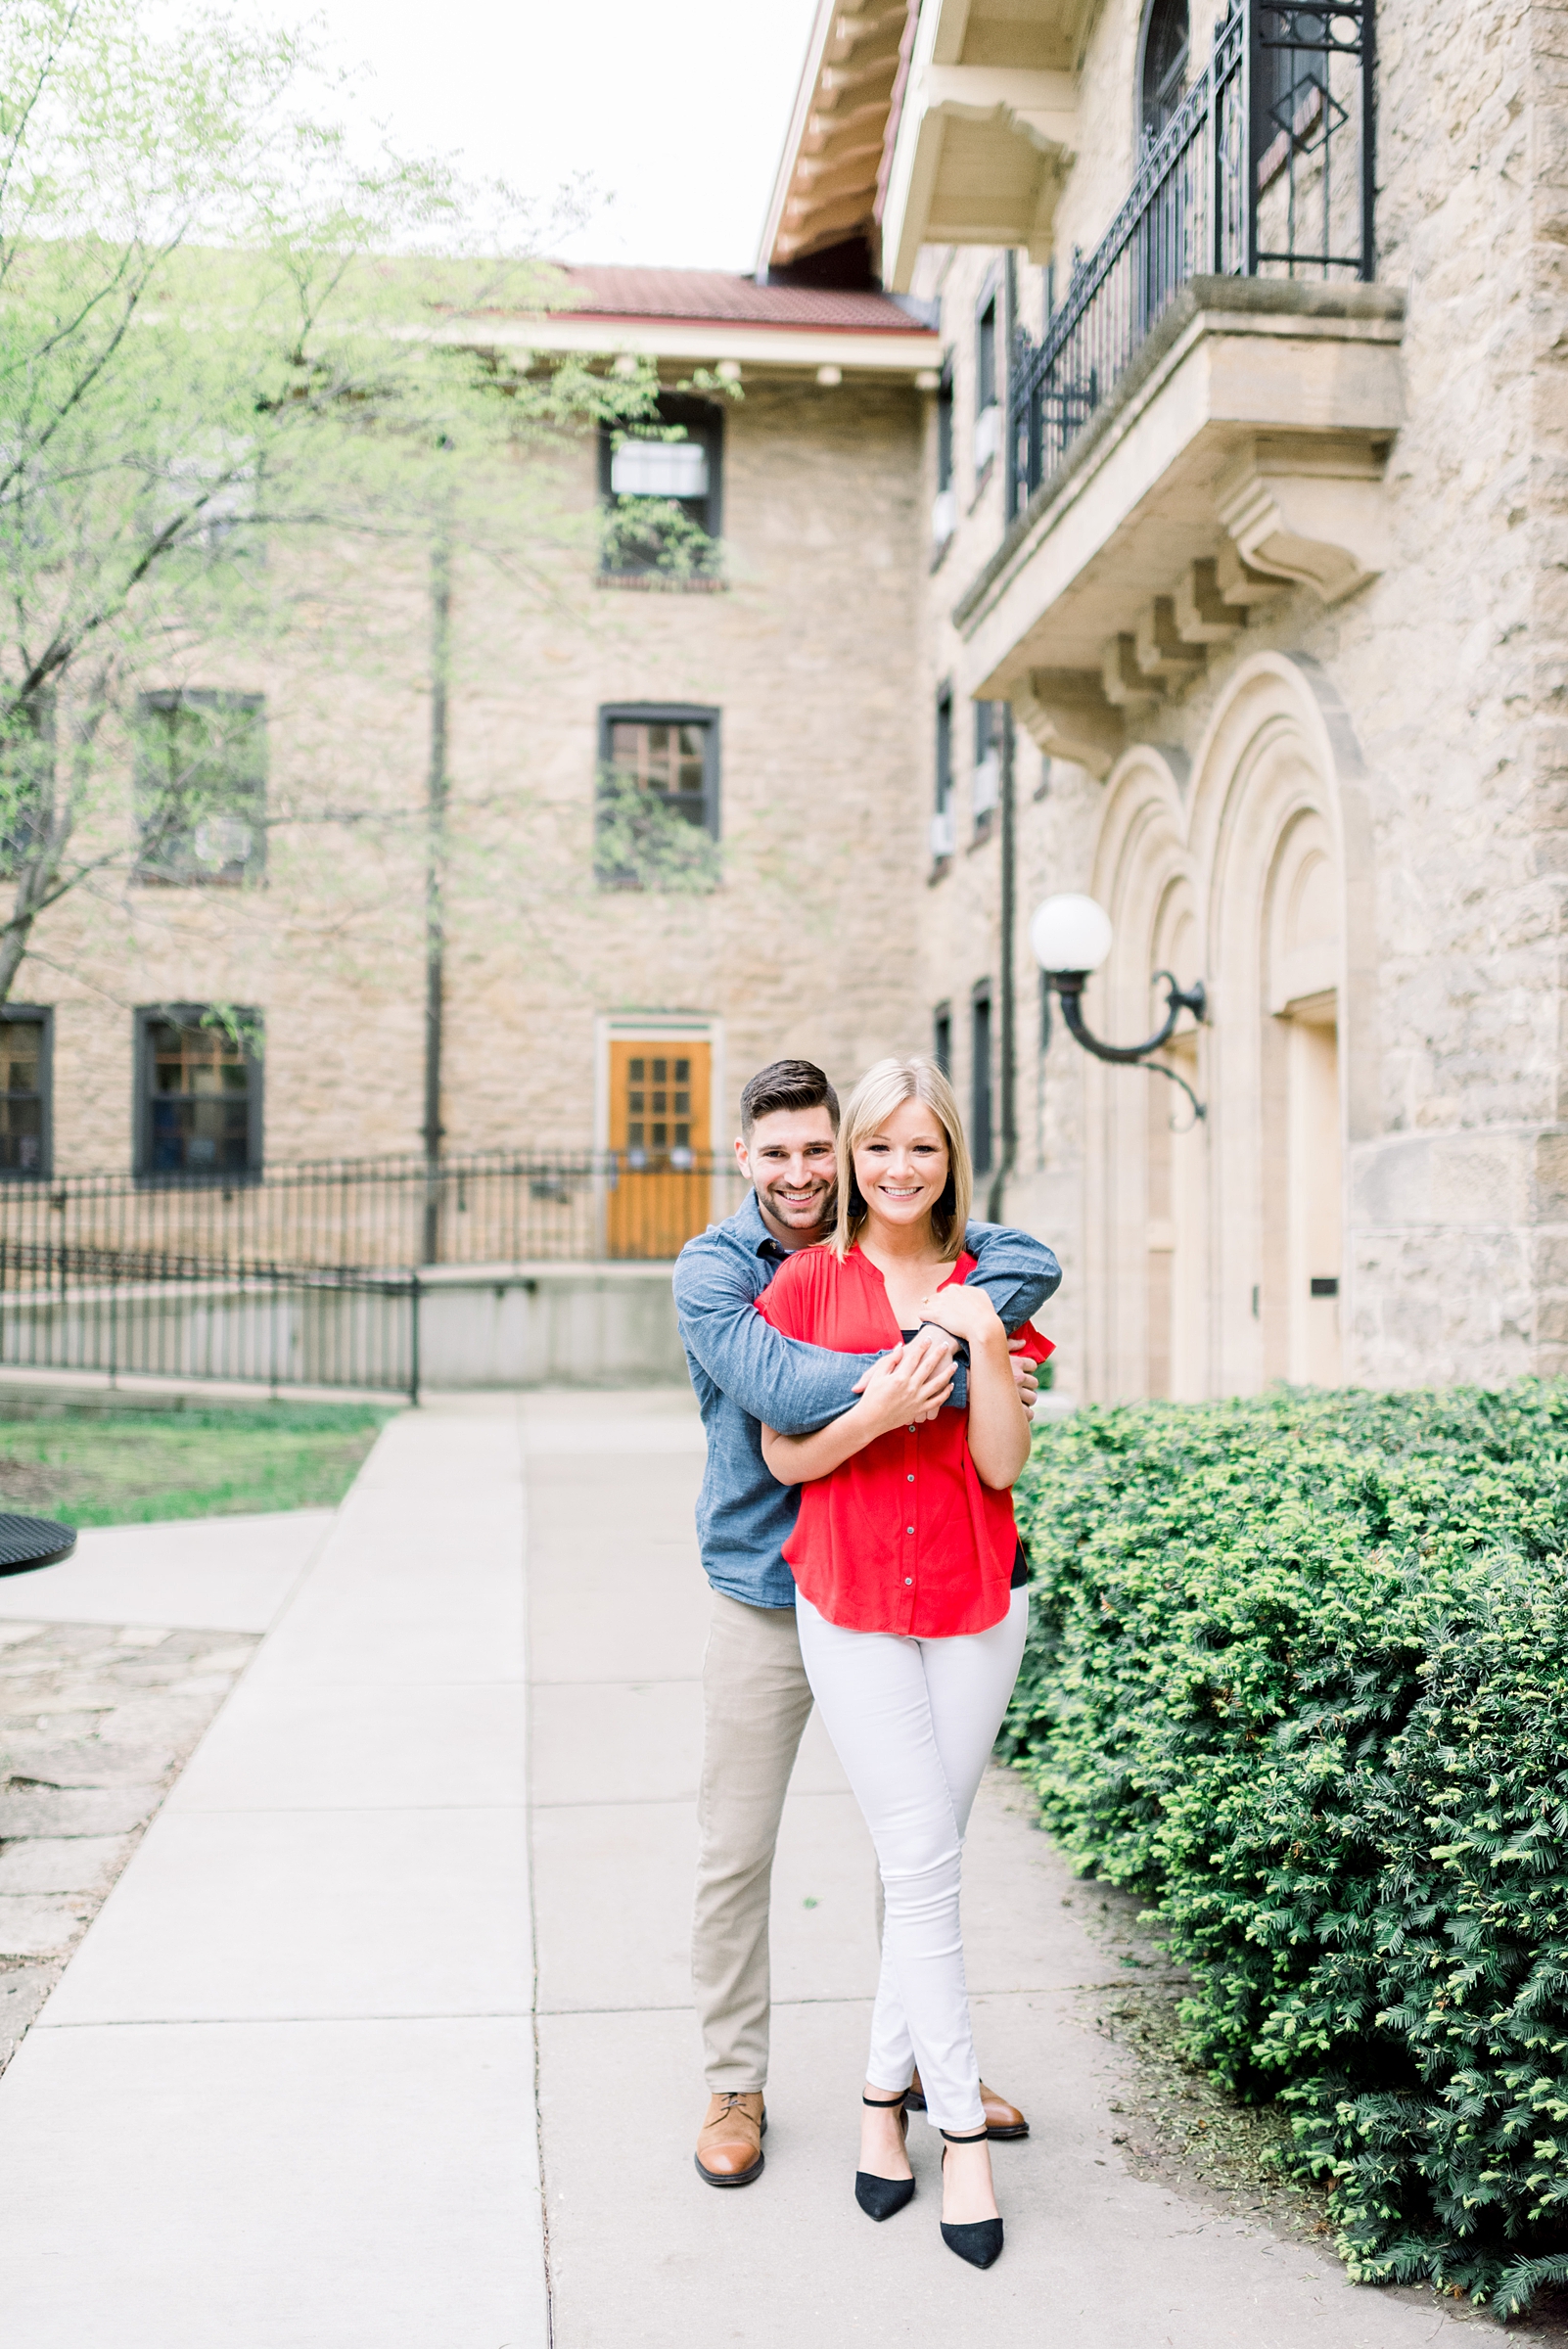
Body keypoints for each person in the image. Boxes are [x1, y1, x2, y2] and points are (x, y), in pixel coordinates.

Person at [671, 1058, 1060, 2194]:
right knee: (736, 1848)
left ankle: (936, 2075)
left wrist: (969, 1343)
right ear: (744, 1158)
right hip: (766, 1587)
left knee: (919, 1850)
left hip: (915, 1585)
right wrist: (931, 1374)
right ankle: (735, 2081)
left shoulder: (928, 1245)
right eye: (776, 1153)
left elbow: (1026, 1262)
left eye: (816, 1150)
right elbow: (787, 1403)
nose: (801, 1173)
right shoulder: (720, 1272)